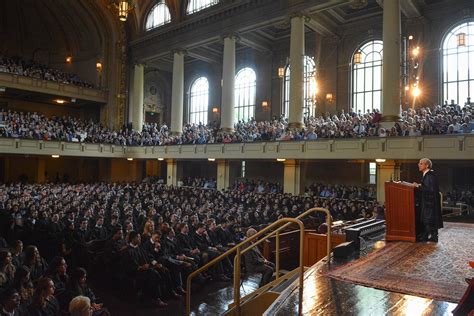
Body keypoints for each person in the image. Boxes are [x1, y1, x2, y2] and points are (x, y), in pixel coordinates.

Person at [413, 158, 443, 242]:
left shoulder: (430, 175)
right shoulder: (427, 175)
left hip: (430, 202)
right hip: (428, 201)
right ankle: (428, 236)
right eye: (419, 163)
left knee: (428, 218)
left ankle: (432, 236)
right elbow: (427, 186)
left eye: (421, 163)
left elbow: (429, 189)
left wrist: (418, 186)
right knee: (427, 219)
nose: (419, 165)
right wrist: (419, 185)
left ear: (427, 165)